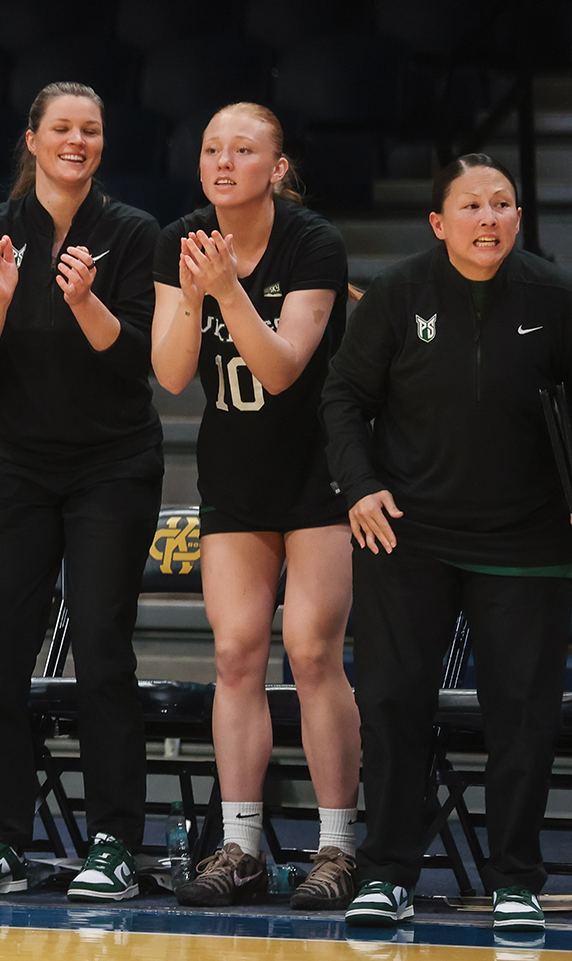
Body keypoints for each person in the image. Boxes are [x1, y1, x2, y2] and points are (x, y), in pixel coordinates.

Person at [323, 154, 572, 934]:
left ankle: (516, 880)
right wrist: (360, 487)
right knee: (393, 704)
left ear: (519, 219)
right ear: (439, 222)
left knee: (523, 716)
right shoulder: (398, 294)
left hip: (527, 540)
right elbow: (342, 396)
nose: (489, 218)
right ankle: (389, 870)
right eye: (472, 206)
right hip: (411, 536)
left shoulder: (554, 296)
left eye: (502, 205)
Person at [0, 82, 162, 903]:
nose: (77, 141)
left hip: (112, 464)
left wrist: (85, 301)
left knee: (102, 646)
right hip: (19, 467)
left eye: (91, 130)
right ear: (31, 139)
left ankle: (113, 844)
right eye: (62, 128)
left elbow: (136, 356)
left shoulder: (132, 232)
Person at [149, 103, 360, 909]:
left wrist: (229, 292)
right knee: (236, 655)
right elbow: (171, 373)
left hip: (315, 472)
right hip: (234, 474)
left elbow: (281, 369)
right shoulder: (187, 237)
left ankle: (337, 846)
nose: (223, 161)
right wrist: (196, 296)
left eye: (244, 149)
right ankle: (239, 845)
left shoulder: (314, 243)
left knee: (311, 652)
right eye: (211, 148)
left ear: (277, 168)